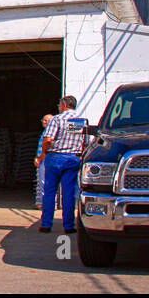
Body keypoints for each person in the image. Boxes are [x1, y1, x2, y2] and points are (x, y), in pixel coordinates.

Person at [37, 96, 86, 233]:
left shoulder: (57, 119)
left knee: (50, 191)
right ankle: (68, 226)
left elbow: (48, 139)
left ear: (64, 105)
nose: (58, 106)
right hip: (73, 158)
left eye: (59, 104)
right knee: (69, 193)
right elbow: (85, 141)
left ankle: (46, 224)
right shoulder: (81, 120)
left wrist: (45, 152)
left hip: (55, 157)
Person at [33, 113, 52, 209]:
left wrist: (39, 159)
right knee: (41, 183)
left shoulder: (49, 133)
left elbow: (47, 148)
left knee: (45, 182)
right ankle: (42, 202)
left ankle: (46, 204)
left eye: (46, 120)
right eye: (43, 120)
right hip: (42, 159)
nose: (43, 122)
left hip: (45, 160)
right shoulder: (45, 132)